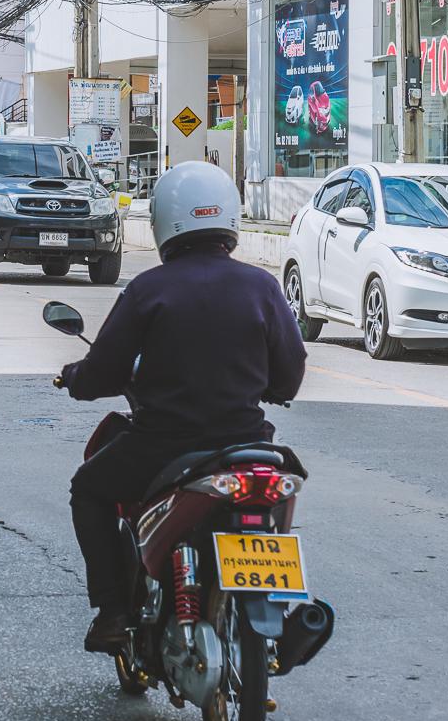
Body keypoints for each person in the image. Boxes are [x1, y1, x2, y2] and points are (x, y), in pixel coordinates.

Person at [58, 161, 306, 652]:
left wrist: (75, 380)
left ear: (165, 219)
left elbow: (103, 369)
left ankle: (112, 612)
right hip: (249, 446)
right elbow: (291, 369)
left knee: (88, 490)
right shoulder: (262, 286)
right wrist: (271, 387)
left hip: (163, 445)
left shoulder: (150, 288)